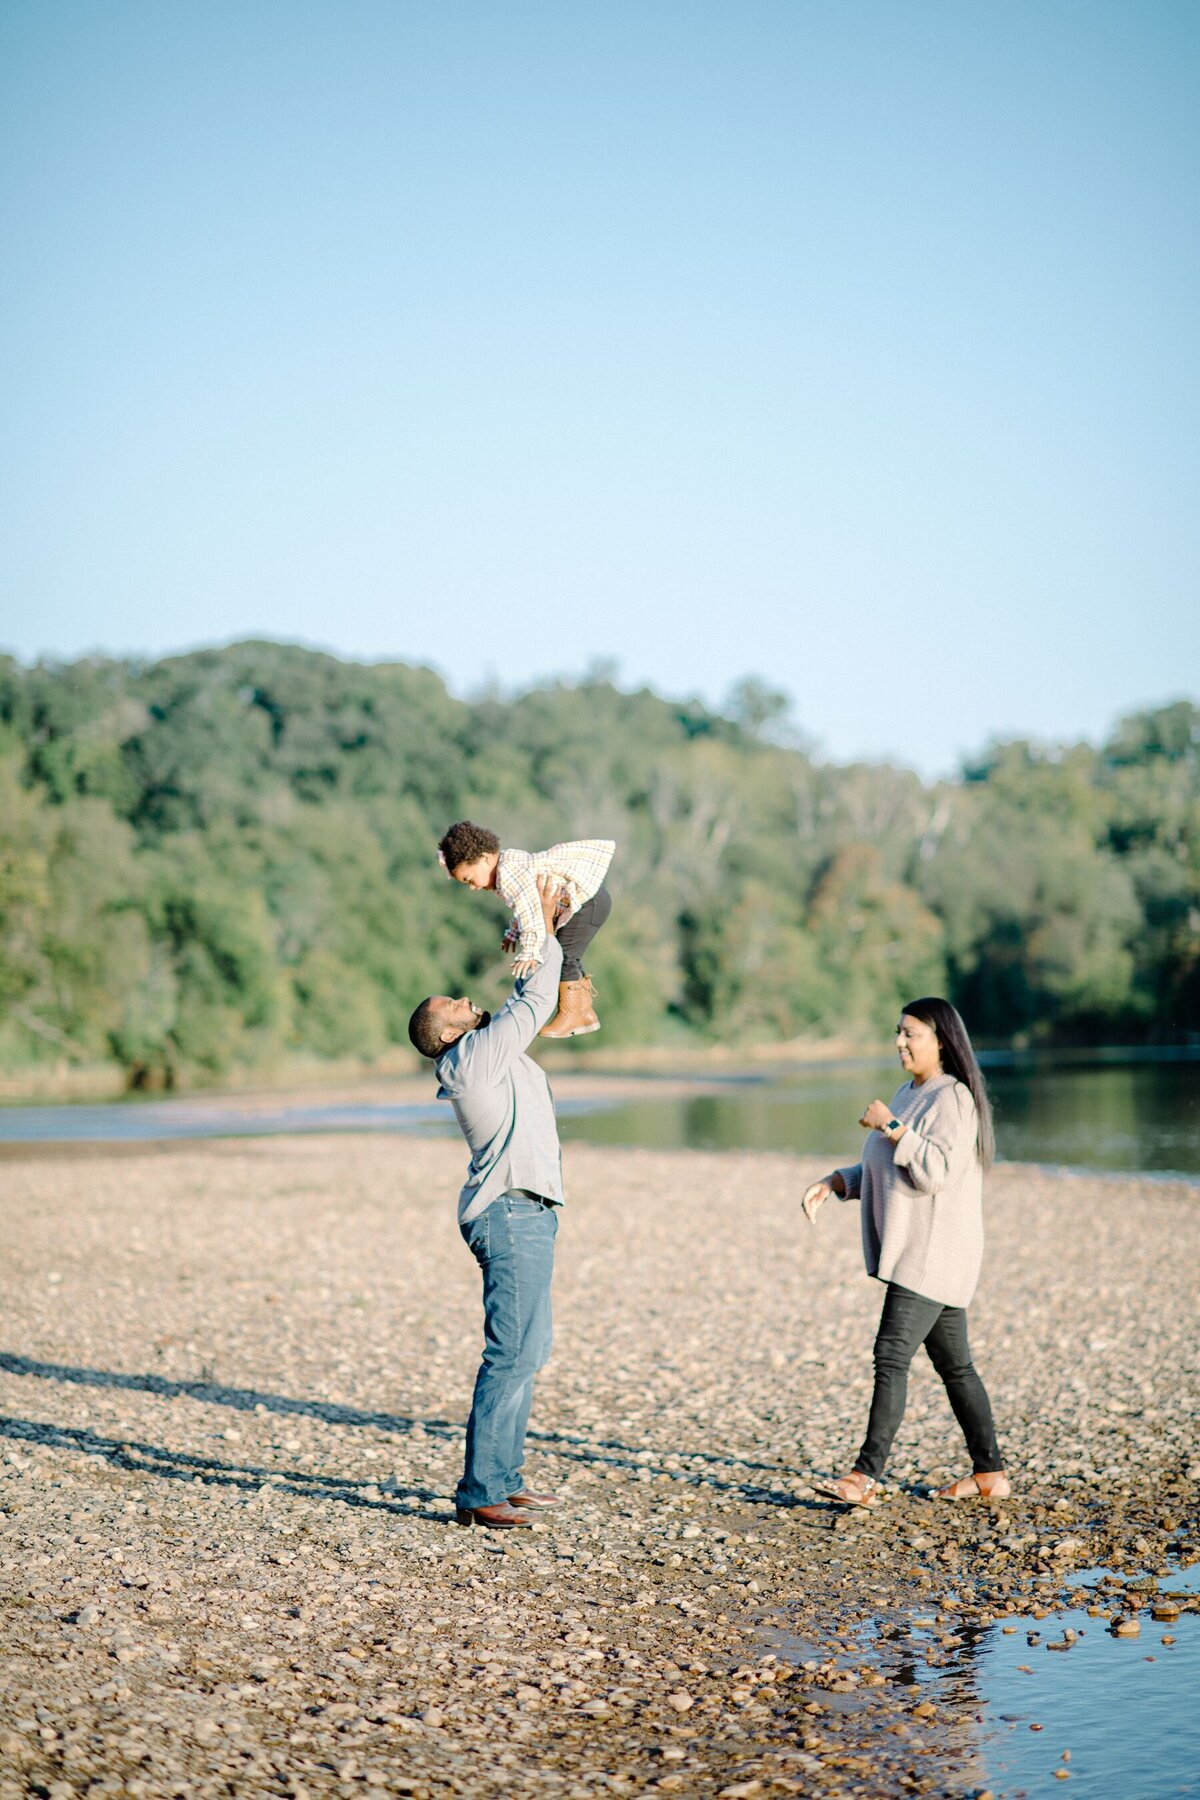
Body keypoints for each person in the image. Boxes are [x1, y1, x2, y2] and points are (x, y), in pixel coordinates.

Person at [802, 997, 1010, 1506]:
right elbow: (886, 1170)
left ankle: (863, 1476)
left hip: (932, 1253)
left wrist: (891, 1127)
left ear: (941, 1041)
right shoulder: (909, 1093)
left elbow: (933, 1172)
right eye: (898, 1032)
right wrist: (836, 1182)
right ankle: (991, 1475)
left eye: (910, 1033)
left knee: (890, 1355)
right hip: (925, 1252)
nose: (899, 1042)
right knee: (956, 1367)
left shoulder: (953, 1100)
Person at [407, 874, 566, 1529]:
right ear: (443, 1034)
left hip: (530, 1210)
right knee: (510, 1352)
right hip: (508, 1211)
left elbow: (526, 1002)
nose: (466, 999)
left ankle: (503, 1477)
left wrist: (528, 945)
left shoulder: (486, 1055)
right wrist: (546, 931)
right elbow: (532, 1004)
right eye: (453, 1004)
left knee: (531, 1349)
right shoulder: (471, 1059)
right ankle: (479, 1492)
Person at [437, 820, 615, 1039]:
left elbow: (531, 914)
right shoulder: (508, 870)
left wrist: (530, 951)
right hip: (590, 902)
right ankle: (583, 1013)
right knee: (566, 954)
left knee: (565, 956)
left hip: (588, 903)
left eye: (469, 879)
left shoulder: (511, 874)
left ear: (484, 858)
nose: (473, 887)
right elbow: (524, 908)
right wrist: (513, 933)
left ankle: (573, 1013)